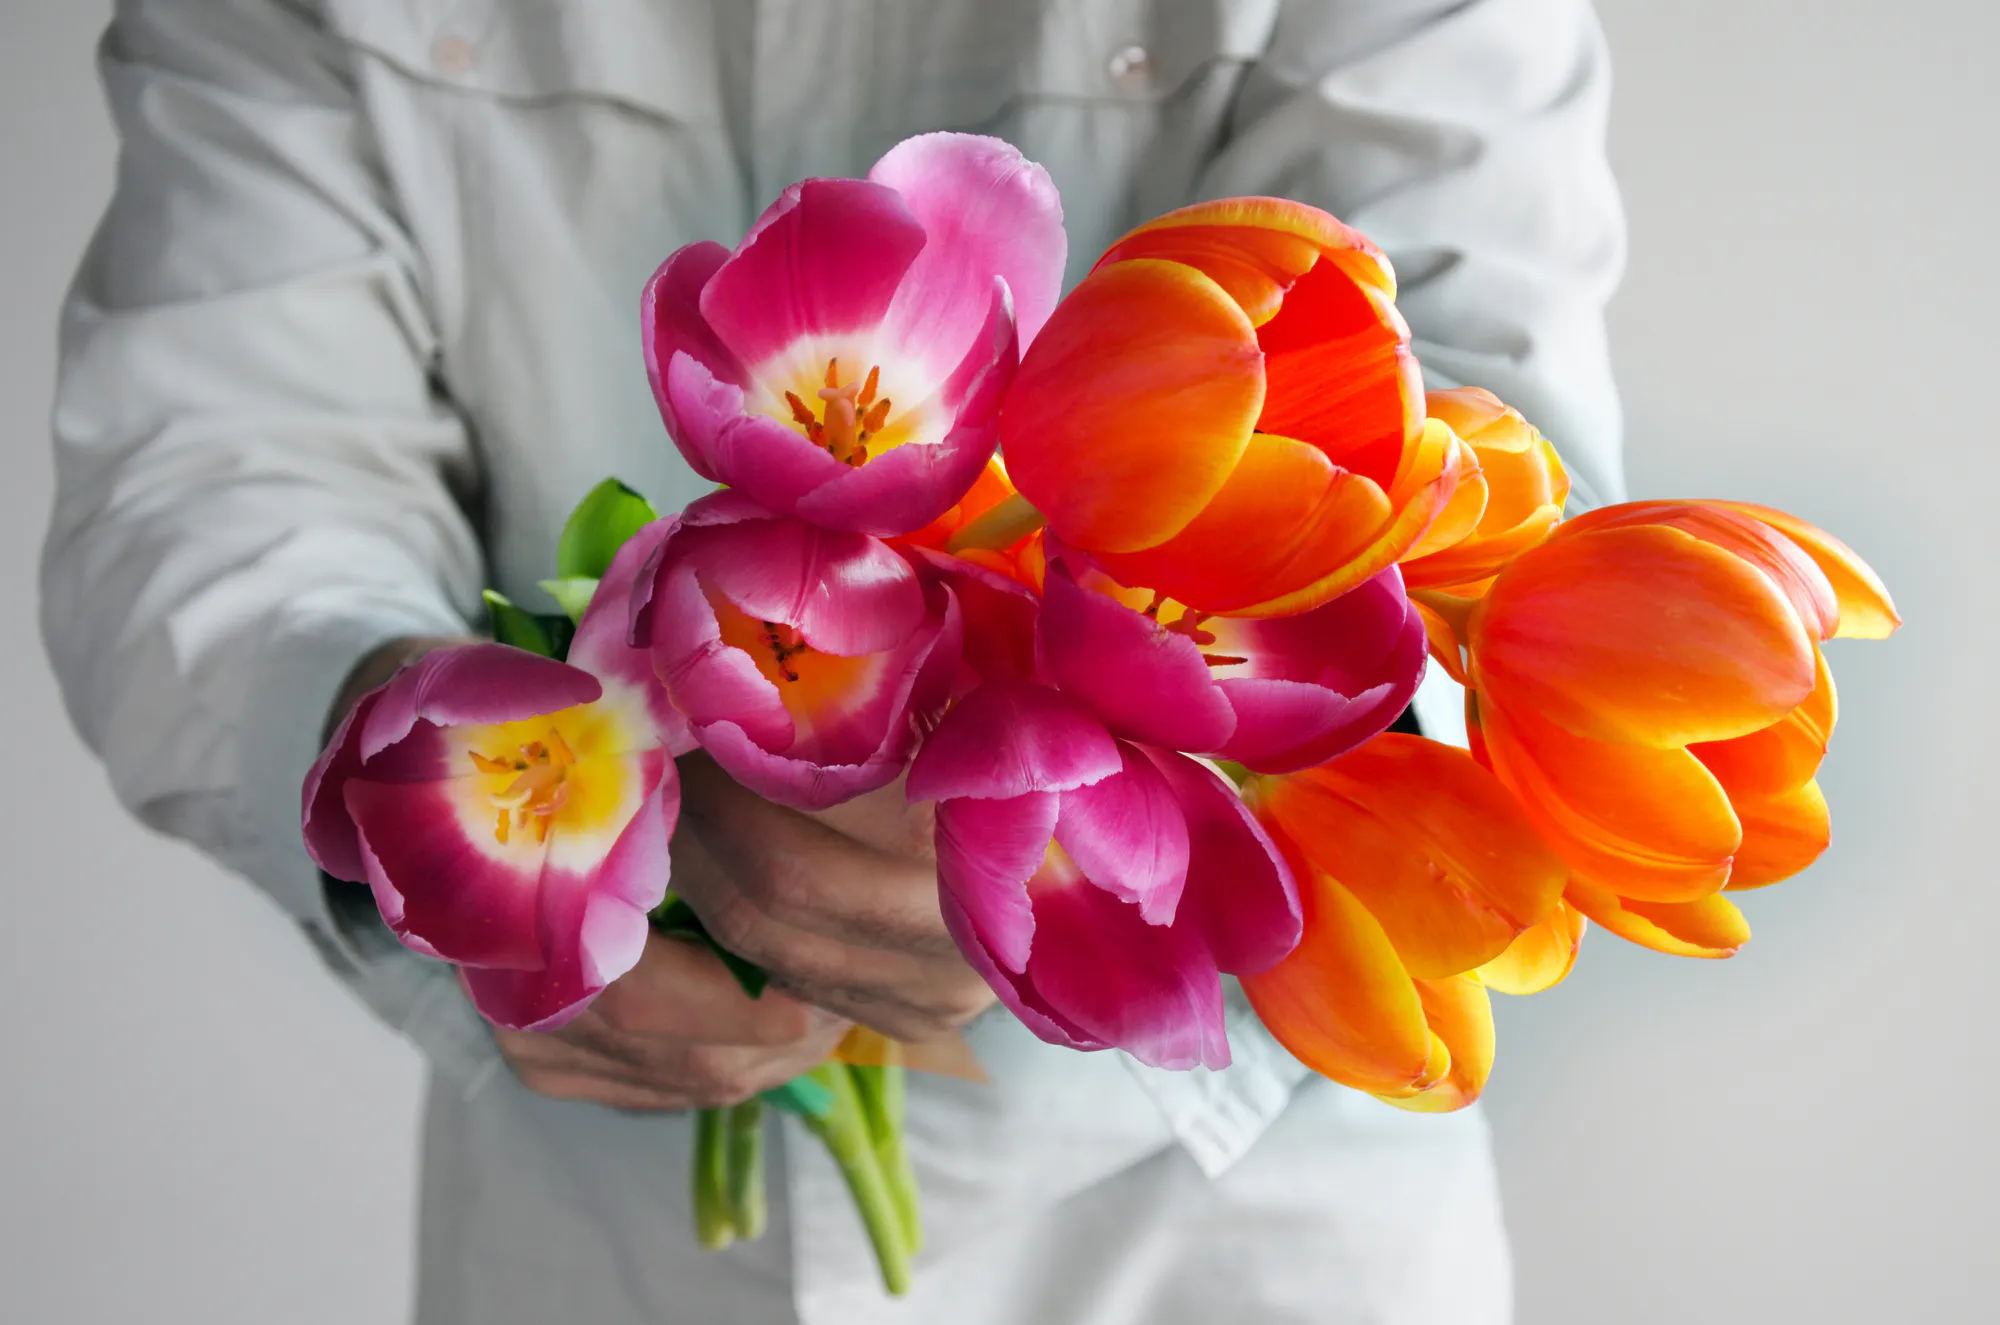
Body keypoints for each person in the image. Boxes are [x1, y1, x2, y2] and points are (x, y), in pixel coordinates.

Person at [42, 1, 1624, 1321]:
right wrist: (451, 831)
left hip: (1241, 1213)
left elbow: (1471, 439)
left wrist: (1107, 777)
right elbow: (218, 468)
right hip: (602, 1198)